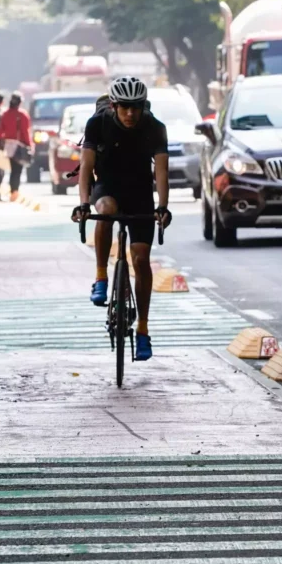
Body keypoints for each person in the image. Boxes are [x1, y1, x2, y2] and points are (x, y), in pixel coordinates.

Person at [71, 76, 171, 362]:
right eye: (124, 107)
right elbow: (86, 168)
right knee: (104, 208)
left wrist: (162, 207)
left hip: (140, 192)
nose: (130, 114)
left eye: (136, 108)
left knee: (140, 259)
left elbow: (161, 173)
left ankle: (142, 330)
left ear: (144, 107)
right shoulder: (97, 124)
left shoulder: (155, 128)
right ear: (113, 106)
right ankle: (101, 276)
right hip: (108, 187)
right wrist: (83, 204)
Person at [0, 92, 33, 202]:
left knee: (9, 169)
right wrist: (29, 145)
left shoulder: (5, 114)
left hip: (7, 145)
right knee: (17, 170)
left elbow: (0, 131)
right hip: (19, 145)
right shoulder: (22, 115)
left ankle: (11, 190)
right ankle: (14, 191)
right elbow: (25, 132)